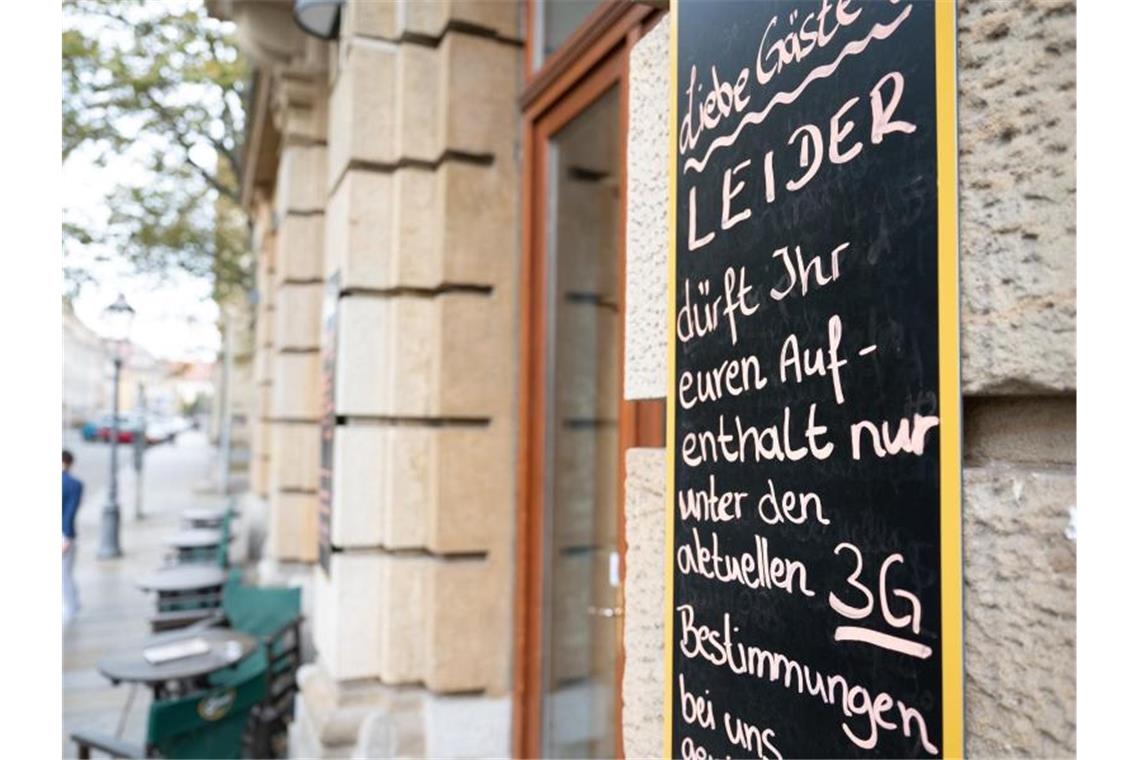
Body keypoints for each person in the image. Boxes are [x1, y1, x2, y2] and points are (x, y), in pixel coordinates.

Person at [62, 449, 83, 623]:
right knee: (65, 573)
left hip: (63, 535)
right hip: (66, 534)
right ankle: (74, 603)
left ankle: (72, 607)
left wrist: (66, 536)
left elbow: (69, 512)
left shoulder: (71, 484)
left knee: (63, 574)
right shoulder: (75, 484)